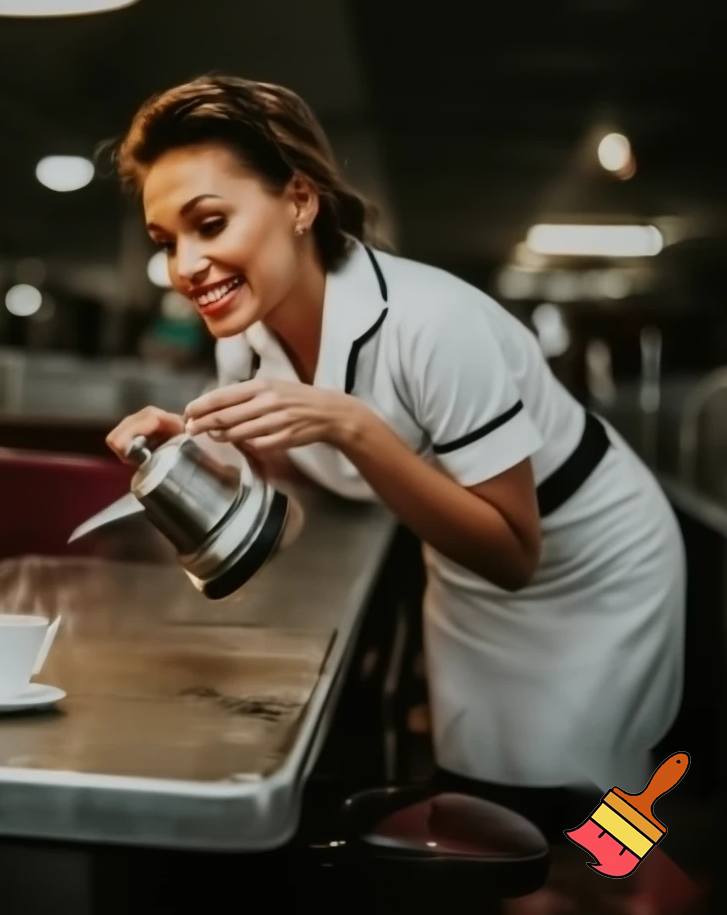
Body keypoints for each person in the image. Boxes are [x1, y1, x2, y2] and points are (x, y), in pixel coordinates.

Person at [103, 73, 686, 836]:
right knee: (488, 805)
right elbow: (293, 463)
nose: (185, 265)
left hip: (596, 565)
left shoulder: (433, 322)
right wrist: (198, 450)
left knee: (603, 809)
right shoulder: (243, 342)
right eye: (166, 241)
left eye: (209, 224)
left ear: (300, 201)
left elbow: (515, 553)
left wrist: (355, 428)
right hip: (461, 569)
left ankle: (631, 887)